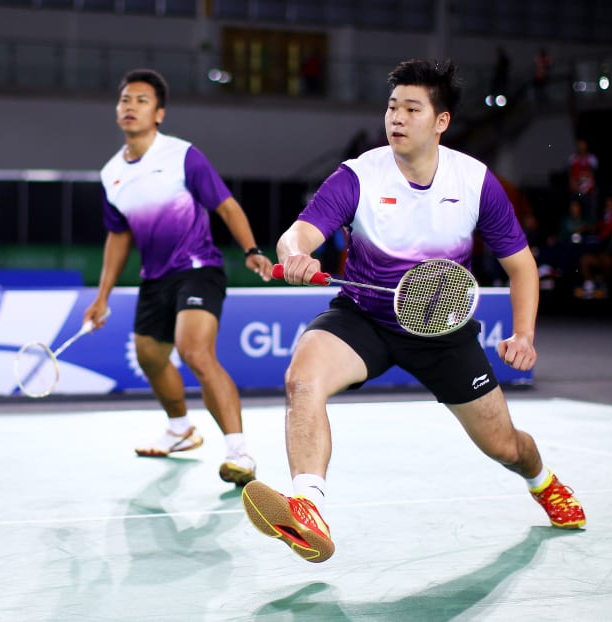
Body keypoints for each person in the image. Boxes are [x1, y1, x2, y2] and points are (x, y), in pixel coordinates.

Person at [241, 58, 586, 563]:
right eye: (391, 107)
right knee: (302, 378)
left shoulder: (474, 182)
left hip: (441, 327)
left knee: (505, 446)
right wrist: (294, 253)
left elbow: (522, 267)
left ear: (441, 121)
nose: (396, 118)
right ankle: (308, 506)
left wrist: (525, 334)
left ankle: (543, 481)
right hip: (366, 315)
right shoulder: (358, 175)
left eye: (411, 108)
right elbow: (300, 232)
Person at [84, 69, 273, 487]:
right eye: (125, 100)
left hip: (197, 268)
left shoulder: (183, 155)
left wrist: (252, 249)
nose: (130, 106)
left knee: (194, 352)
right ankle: (179, 429)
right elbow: (118, 237)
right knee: (151, 357)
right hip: (154, 278)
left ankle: (240, 453)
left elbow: (225, 205)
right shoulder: (110, 173)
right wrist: (102, 297)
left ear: (160, 113)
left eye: (141, 100)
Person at [568, 138, 600, 223]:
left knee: (590, 208)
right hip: (576, 189)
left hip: (589, 190)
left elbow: (593, 176)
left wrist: (586, 187)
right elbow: (571, 176)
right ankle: (574, 223)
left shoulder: (592, 159)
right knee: (575, 205)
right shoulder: (573, 158)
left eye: (583, 145)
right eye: (580, 145)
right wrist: (575, 187)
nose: (581, 147)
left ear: (586, 146)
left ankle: (590, 225)